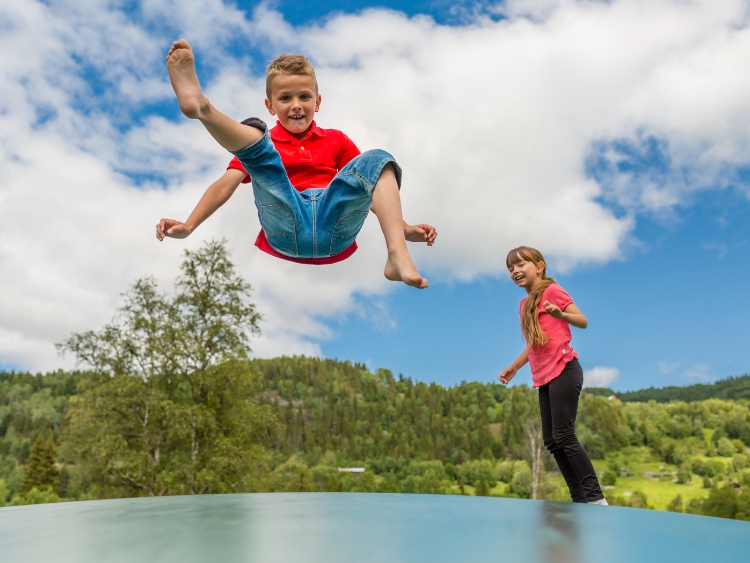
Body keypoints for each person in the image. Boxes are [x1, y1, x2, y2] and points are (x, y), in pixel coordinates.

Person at [156, 40, 436, 289]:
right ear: (270, 105)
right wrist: (190, 224)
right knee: (257, 142)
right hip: (286, 223)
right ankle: (203, 109)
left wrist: (404, 228)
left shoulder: (336, 140)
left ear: (317, 101)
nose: (296, 105)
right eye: (285, 98)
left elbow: (366, 189)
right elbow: (224, 185)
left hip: (334, 225)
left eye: (304, 96)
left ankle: (397, 254)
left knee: (378, 162)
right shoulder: (268, 146)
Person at [498, 246, 607, 505]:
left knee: (564, 435)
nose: (515, 271)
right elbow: (534, 344)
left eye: (521, 264)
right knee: (551, 441)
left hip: (565, 368)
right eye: (511, 268)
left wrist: (561, 314)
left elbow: (582, 321)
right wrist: (515, 366)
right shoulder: (524, 305)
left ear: (539, 266)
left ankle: (595, 498)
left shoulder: (553, 291)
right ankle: (579, 499)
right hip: (544, 378)